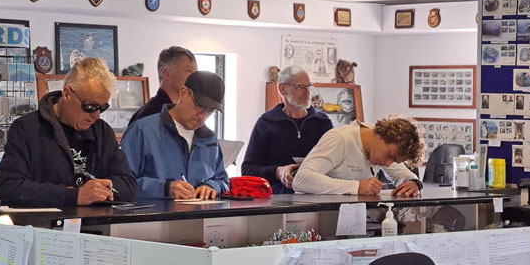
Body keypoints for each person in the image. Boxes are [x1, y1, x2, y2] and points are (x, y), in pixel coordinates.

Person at [0, 58, 137, 207]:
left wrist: (100, 191)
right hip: (43, 227)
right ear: (67, 93)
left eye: (102, 108)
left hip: (93, 228)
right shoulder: (26, 129)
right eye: (89, 107)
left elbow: (128, 186)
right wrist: (74, 195)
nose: (96, 116)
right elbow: (9, 189)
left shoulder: (102, 131)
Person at [121, 71, 229, 200]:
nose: (202, 116)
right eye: (199, 107)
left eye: (209, 111)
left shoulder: (209, 139)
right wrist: (165, 188)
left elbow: (222, 179)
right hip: (152, 218)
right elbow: (121, 184)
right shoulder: (141, 131)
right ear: (183, 93)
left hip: (200, 218)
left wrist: (211, 186)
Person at [242, 66, 333, 194]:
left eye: (309, 87)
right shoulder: (266, 123)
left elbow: (336, 165)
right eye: (301, 87)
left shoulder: (323, 123)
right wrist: (278, 172)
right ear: (283, 89)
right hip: (277, 201)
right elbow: (248, 170)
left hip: (317, 198)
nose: (308, 92)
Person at [292, 116, 425, 196]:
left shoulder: (382, 150)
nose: (388, 164)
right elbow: (302, 180)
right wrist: (356, 187)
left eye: (395, 161)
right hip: (315, 219)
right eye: (390, 156)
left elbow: (404, 175)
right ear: (381, 137)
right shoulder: (341, 139)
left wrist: (412, 184)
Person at [128, 46, 196, 125]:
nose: (194, 76)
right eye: (189, 70)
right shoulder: (150, 116)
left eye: (195, 72)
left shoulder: (185, 114)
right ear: (166, 74)